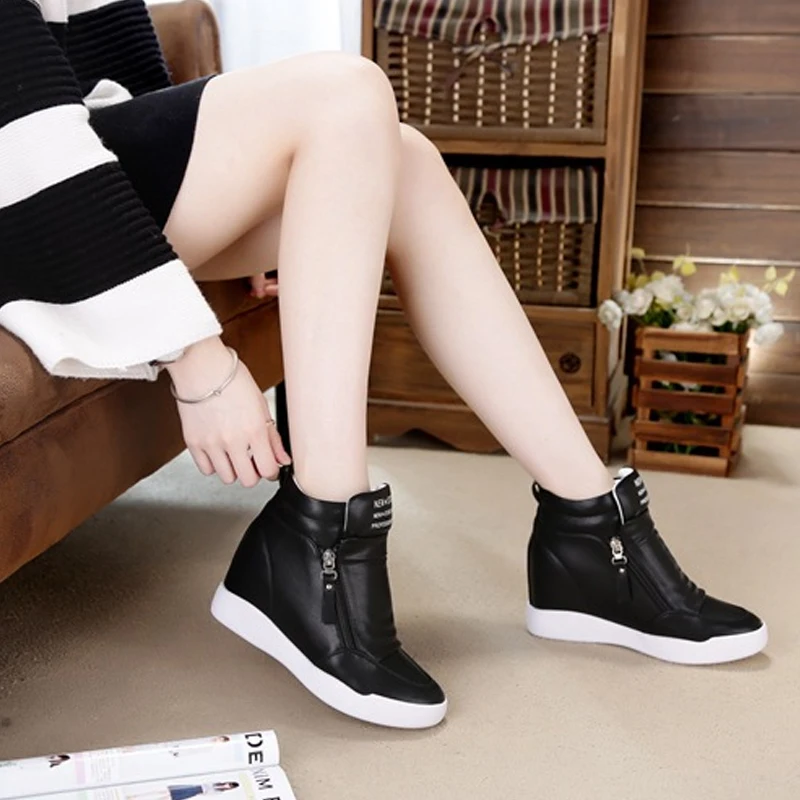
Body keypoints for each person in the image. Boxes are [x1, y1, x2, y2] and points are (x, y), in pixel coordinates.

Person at [0, 0, 766, 732]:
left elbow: (111, 70)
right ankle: (320, 530)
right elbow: (20, 124)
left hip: (73, 159)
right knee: (346, 89)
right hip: (23, 188)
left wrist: (245, 200)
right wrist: (195, 353)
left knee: (405, 160)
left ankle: (590, 532)